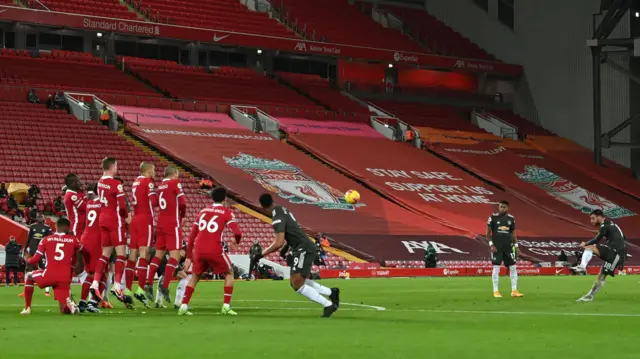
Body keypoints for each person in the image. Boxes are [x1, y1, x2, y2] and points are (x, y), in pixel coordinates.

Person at [257, 193, 339, 317]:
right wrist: (287, 246)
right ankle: (331, 292)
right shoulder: (282, 209)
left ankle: (328, 304)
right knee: (296, 281)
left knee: (296, 282)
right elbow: (293, 231)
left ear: (263, 208)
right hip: (300, 247)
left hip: (303, 248)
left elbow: (278, 242)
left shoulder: (277, 216)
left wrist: (261, 254)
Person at [178, 187, 241, 316]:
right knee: (229, 273)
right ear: (224, 199)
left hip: (199, 250)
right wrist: (235, 242)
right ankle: (226, 306)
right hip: (214, 249)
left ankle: (184, 306)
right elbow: (237, 232)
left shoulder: (202, 211)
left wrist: (189, 256)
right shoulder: (226, 212)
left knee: (194, 277)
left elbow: (191, 237)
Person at [89, 157, 133, 308]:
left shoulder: (100, 182)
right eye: (116, 166)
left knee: (105, 254)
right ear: (112, 166)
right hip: (115, 220)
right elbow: (121, 205)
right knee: (121, 254)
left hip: (103, 220)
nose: (117, 169)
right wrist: (127, 217)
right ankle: (117, 285)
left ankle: (95, 283)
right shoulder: (116, 183)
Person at [20, 218, 81, 315]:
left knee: (29, 276)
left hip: (49, 275)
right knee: (63, 311)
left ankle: (27, 308)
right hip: (64, 277)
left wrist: (27, 258)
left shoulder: (46, 240)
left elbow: (35, 259)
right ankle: (70, 304)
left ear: (56, 227)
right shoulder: (74, 240)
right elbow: (81, 251)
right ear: (68, 228)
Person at [145, 165, 187, 303]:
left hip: (161, 224)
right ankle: (165, 285)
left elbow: (156, 203)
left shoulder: (160, 186)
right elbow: (182, 202)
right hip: (172, 224)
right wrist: (183, 215)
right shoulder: (175, 183)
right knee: (174, 257)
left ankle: (148, 282)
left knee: (158, 256)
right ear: (174, 174)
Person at [573, 209, 627, 302]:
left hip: (615, 252)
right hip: (616, 253)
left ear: (599, 217)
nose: (591, 221)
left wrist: (585, 244)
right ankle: (590, 296)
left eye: (593, 218)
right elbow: (623, 237)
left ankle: (582, 266)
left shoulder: (604, 225)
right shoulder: (610, 224)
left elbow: (596, 239)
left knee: (589, 246)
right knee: (601, 276)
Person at [127, 162, 158, 308]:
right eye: (153, 170)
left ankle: (127, 291)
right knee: (144, 254)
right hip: (146, 220)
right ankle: (140, 290)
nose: (155, 172)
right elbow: (154, 202)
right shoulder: (148, 182)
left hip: (135, 219)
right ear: (148, 170)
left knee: (132, 255)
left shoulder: (135, 182)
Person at [487, 200, 524, 298]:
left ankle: (514, 290)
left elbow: (513, 234)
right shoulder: (493, 217)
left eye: (504, 207)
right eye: (500, 207)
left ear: (507, 208)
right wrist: (491, 245)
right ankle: (496, 291)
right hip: (497, 247)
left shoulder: (511, 219)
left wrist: (517, 246)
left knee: (513, 267)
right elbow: (488, 234)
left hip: (508, 247)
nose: (502, 208)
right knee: (496, 267)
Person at [78, 185, 102, 313]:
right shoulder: (102, 204)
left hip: (85, 238)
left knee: (90, 274)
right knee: (101, 273)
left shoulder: (89, 203)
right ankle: (93, 303)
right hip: (96, 241)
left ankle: (82, 301)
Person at [22, 213, 52, 297]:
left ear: (43, 218)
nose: (39, 218)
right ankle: (26, 290)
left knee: (45, 269)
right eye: (38, 217)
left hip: (43, 252)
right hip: (32, 251)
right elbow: (28, 239)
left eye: (41, 217)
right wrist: (25, 249)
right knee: (28, 269)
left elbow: (50, 240)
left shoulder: (47, 228)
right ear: (36, 218)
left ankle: (47, 291)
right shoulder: (32, 227)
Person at [63, 174, 87, 238]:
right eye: (78, 181)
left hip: (80, 226)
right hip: (76, 226)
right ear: (73, 183)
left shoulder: (74, 194)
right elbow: (85, 208)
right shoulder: (72, 195)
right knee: (75, 246)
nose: (80, 183)